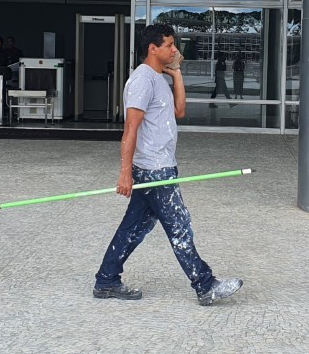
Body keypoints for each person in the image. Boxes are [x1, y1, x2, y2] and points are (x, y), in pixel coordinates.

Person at [93, 23, 243, 306]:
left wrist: (176, 72)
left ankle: (106, 280)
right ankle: (205, 284)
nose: (175, 50)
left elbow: (180, 110)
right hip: (153, 169)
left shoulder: (158, 78)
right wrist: (125, 173)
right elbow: (130, 129)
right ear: (153, 48)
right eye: (170, 45)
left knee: (133, 228)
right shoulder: (142, 80)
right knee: (180, 225)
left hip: (161, 164)